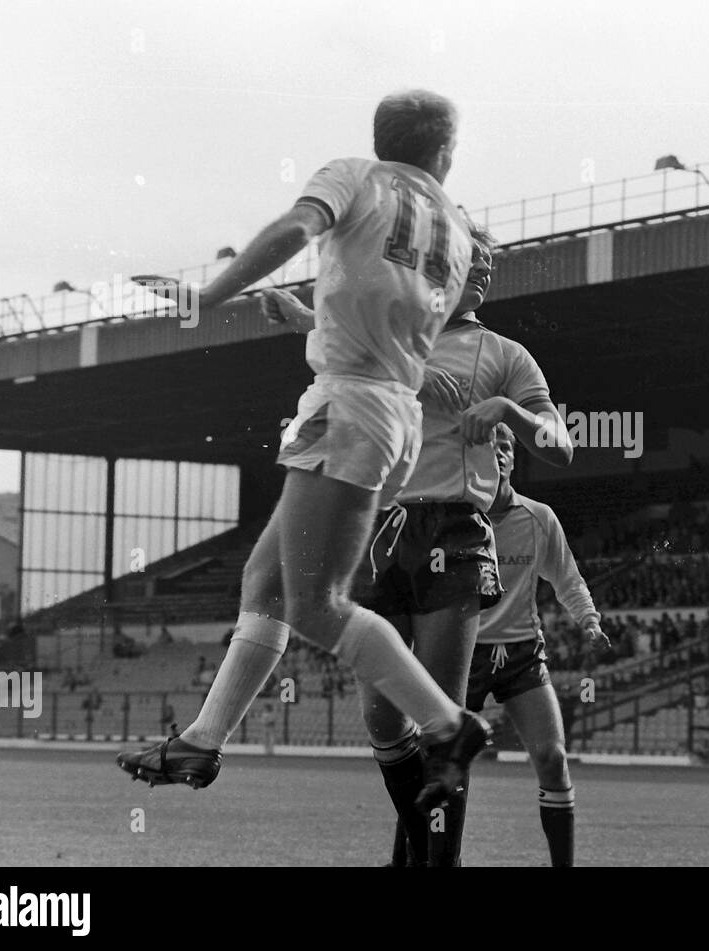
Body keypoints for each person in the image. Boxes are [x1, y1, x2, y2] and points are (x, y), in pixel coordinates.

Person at [116, 89, 490, 812]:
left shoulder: (356, 175)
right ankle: (202, 740)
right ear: (444, 153)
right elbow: (387, 317)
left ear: (381, 139)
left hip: (347, 407)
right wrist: (307, 318)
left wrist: (208, 297)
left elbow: (295, 229)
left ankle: (448, 727)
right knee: (264, 584)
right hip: (385, 409)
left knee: (318, 607)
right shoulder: (457, 229)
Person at [267, 224, 573, 868]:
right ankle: (419, 855)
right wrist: (301, 317)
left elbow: (560, 442)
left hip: (454, 534)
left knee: (441, 719)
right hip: (381, 530)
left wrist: (508, 411)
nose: (484, 274)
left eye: (491, 267)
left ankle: (438, 864)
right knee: (383, 721)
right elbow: (346, 349)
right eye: (474, 264)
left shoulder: (506, 354)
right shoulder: (393, 333)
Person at [454, 424, 604, 866]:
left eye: (506, 448)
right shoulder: (456, 519)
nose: (499, 454)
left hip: (521, 653)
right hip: (464, 655)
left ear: (514, 460)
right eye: (490, 447)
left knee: (553, 757)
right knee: (444, 766)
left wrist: (589, 620)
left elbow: (567, 578)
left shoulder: (539, 518)